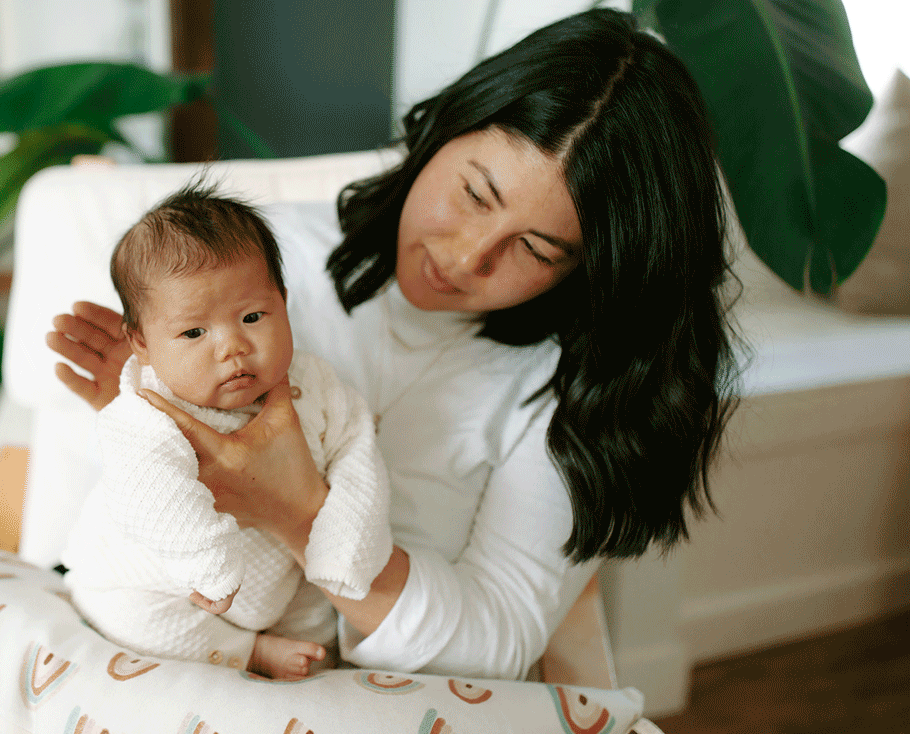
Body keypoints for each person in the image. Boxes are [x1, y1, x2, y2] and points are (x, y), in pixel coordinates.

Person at [48, 7, 737, 680]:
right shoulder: (248, 269)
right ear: (445, 131)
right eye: (474, 195)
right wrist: (157, 414)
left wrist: (298, 512)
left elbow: (495, 642)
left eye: (534, 247)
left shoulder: (577, 392)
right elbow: (99, 531)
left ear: (591, 267)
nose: (466, 258)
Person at [61, 183, 392, 679]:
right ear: (142, 343)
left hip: (281, 577)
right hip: (170, 585)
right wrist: (206, 561)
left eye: (253, 317)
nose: (232, 346)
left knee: (316, 610)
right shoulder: (144, 408)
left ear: (283, 303)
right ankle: (246, 651)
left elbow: (357, 454)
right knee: (124, 612)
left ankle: (310, 652)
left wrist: (344, 548)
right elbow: (149, 488)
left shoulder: (316, 385)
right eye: (194, 332)